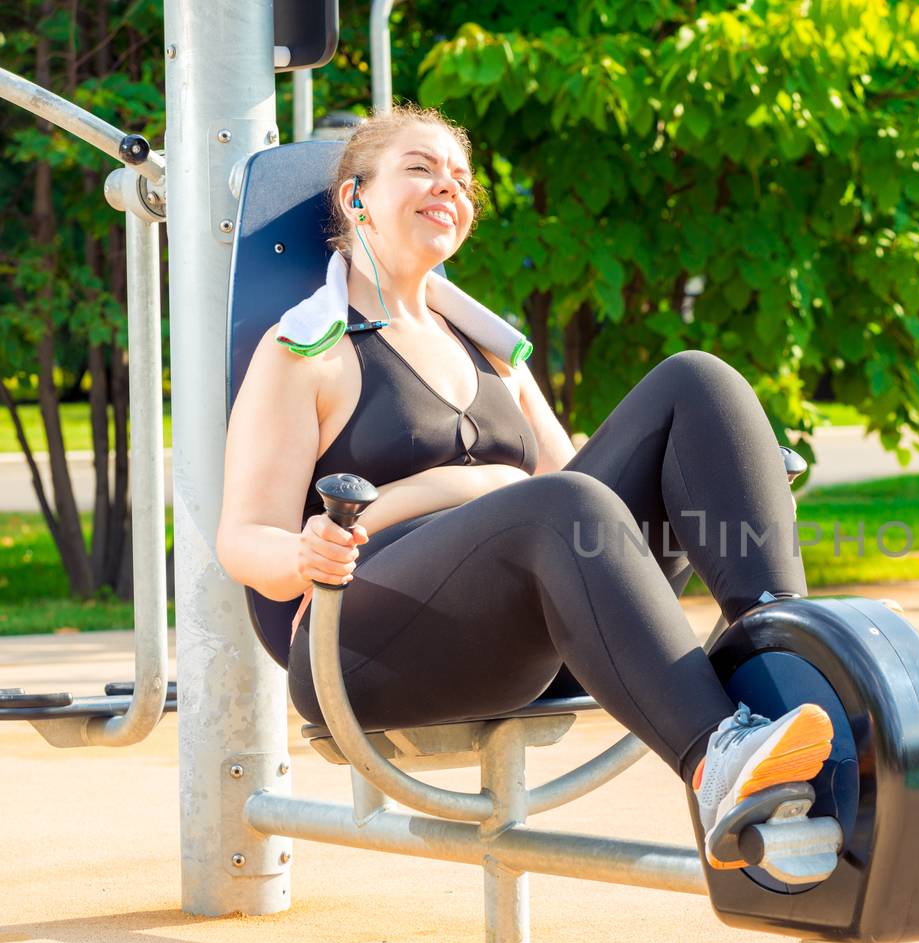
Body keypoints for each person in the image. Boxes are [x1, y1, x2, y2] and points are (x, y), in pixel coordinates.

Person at [216, 103, 832, 869]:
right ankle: (718, 761)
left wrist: (707, 479)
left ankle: (797, 660)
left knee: (696, 383)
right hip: (362, 639)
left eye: (462, 180)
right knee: (559, 507)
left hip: (529, 614)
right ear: (356, 198)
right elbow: (243, 539)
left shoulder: (490, 348)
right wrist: (310, 550)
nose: (449, 187)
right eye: (420, 168)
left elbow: (566, 478)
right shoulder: (307, 348)